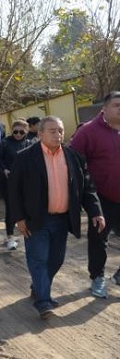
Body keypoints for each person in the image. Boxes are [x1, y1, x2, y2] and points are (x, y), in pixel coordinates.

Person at [9, 116, 104, 318]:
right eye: (52, 131)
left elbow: (87, 187)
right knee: (39, 259)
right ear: (40, 134)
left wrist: (96, 212)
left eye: (60, 130)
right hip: (36, 219)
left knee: (56, 259)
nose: (57, 134)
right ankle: (43, 302)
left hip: (62, 219)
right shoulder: (25, 157)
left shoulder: (73, 157)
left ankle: (38, 286)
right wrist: (18, 218)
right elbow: (13, 190)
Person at [70, 91, 120, 298]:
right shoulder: (88, 131)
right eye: (117, 105)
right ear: (104, 108)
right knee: (99, 239)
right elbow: (73, 163)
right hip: (100, 198)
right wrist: (82, 196)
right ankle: (97, 277)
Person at [0, 119, 33, 250]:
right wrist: (3, 170)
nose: (18, 134)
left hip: (25, 183)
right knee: (11, 209)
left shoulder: (30, 143)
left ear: (26, 132)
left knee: (27, 208)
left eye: (22, 132)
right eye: (16, 132)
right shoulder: (5, 143)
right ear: (12, 130)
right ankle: (10, 236)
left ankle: (27, 232)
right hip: (8, 183)